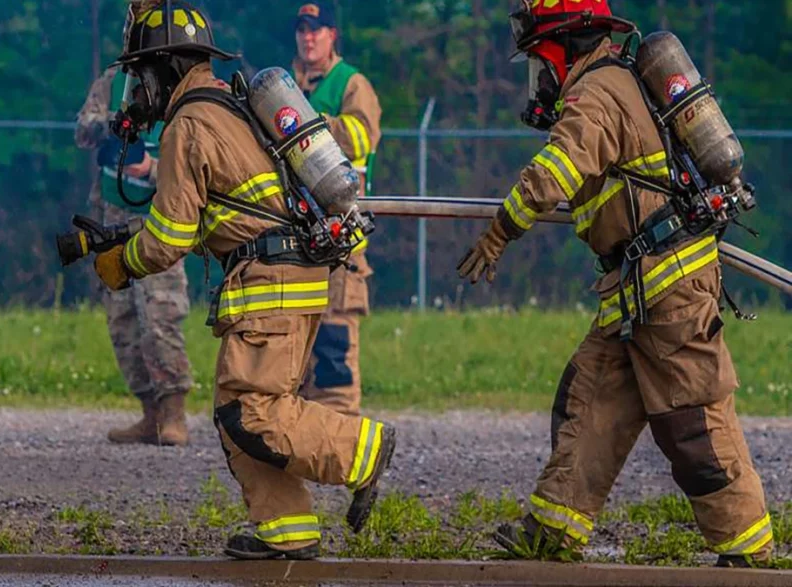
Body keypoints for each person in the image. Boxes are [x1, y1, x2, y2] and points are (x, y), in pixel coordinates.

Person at [457, 0, 771, 568]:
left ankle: (748, 549)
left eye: (538, 62)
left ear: (562, 46)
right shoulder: (614, 81)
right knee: (590, 397)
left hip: (669, 288)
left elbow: (556, 171)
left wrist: (500, 233)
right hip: (637, 291)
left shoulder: (597, 92)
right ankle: (553, 529)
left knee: (691, 422)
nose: (539, 79)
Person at [92, 0, 395, 560]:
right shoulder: (229, 103)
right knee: (237, 413)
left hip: (270, 279)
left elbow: (167, 240)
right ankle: (287, 529)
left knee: (254, 411)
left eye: (141, 74)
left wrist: (121, 262)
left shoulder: (189, 124)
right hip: (289, 273)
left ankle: (360, 448)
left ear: (164, 69)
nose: (138, 89)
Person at [76, 64, 194, 446]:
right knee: (122, 319)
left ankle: (174, 413)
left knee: (160, 315)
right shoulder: (113, 82)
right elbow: (83, 128)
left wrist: (150, 167)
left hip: (158, 223)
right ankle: (150, 414)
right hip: (113, 219)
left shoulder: (181, 85)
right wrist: (110, 127)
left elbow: (197, 162)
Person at [292, 2, 382, 416]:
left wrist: (313, 124)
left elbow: (364, 137)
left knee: (333, 349)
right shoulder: (286, 85)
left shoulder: (351, 84)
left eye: (317, 29)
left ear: (333, 35)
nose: (308, 37)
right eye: (302, 29)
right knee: (294, 347)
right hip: (293, 233)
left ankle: (346, 446)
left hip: (340, 231)